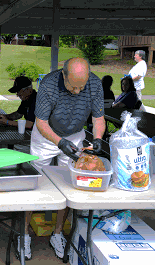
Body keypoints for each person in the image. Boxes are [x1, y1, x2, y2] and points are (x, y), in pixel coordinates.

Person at [30, 57, 106, 259]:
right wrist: (59, 143)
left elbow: (98, 118)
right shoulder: (48, 84)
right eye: (73, 87)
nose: (78, 92)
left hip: (75, 136)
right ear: (63, 75)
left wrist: (98, 138)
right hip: (46, 136)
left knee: (69, 186)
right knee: (34, 182)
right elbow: (41, 123)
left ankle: (57, 233)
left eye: (81, 87)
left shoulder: (95, 84)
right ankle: (24, 234)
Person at [0, 76, 37, 260]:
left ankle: (15, 186)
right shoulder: (26, 100)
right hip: (26, 139)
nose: (19, 96)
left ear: (28, 89)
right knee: (4, 149)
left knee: (6, 152)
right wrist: (7, 117)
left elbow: (32, 124)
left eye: (19, 92)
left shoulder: (36, 100)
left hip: (34, 142)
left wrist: (7, 123)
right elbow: (19, 115)